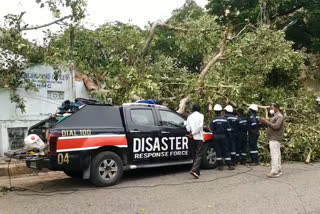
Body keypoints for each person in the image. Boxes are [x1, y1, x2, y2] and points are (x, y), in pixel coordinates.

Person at [260, 103, 285, 178]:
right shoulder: (276, 116)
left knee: (274, 154)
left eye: (272, 108)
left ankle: (274, 171)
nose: (271, 109)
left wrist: (266, 122)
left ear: (276, 108)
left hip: (275, 138)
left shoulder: (279, 116)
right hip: (273, 138)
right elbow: (272, 124)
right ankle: (278, 169)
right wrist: (266, 122)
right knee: (277, 154)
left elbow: (276, 126)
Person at [210, 104, 234, 170]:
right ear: (221, 111)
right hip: (224, 137)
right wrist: (229, 136)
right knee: (226, 150)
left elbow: (211, 129)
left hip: (216, 137)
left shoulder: (213, 120)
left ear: (215, 111)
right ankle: (230, 165)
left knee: (218, 151)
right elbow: (228, 129)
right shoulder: (224, 119)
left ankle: (220, 166)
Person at [186, 104, 204, 178]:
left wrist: (190, 132)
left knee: (194, 154)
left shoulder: (189, 116)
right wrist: (193, 133)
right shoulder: (201, 116)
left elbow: (187, 126)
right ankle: (194, 170)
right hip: (198, 137)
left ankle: (197, 171)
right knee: (199, 154)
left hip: (191, 137)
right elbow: (200, 126)